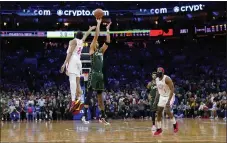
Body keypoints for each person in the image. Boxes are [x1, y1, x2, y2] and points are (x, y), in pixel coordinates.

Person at [82, 19, 112, 125]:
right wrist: (98, 23)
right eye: (96, 42)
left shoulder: (101, 51)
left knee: (100, 98)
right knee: (89, 95)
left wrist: (108, 30)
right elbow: (96, 36)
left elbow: (107, 42)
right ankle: (85, 116)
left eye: (98, 42)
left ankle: (103, 117)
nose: (97, 42)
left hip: (100, 75)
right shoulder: (92, 50)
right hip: (93, 74)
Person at [60, 26, 96, 111]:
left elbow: (70, 53)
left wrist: (64, 64)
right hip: (79, 62)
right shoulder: (81, 41)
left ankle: (73, 101)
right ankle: (80, 99)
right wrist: (90, 30)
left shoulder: (73, 41)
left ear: (76, 35)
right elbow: (85, 36)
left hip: (73, 59)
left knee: (72, 81)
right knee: (77, 82)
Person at [154, 67, 179, 135]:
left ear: (162, 73)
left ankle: (175, 124)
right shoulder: (156, 80)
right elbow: (158, 90)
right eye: (157, 72)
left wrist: (168, 101)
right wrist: (156, 99)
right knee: (159, 112)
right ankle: (159, 129)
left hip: (169, 96)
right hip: (162, 96)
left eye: (159, 72)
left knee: (167, 111)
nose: (158, 73)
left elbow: (172, 89)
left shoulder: (167, 79)